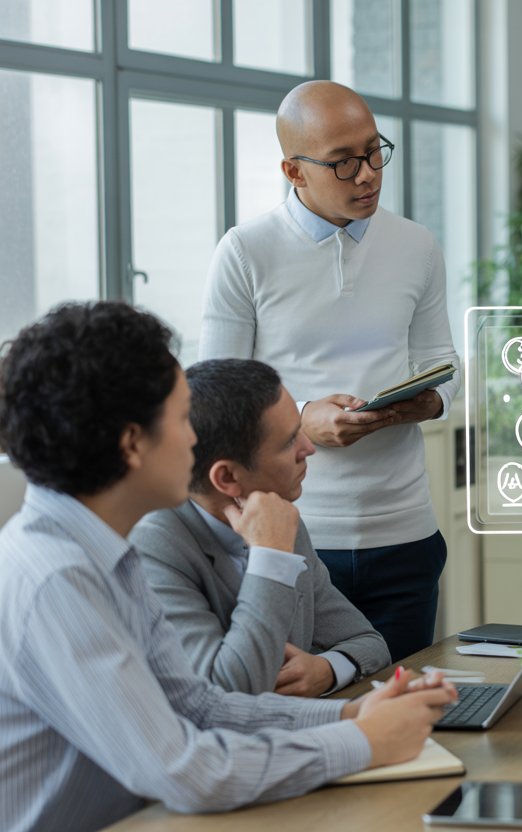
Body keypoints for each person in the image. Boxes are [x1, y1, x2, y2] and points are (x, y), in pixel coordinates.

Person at [0, 302, 456, 832]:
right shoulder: (57, 578)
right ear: (132, 444)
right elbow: (185, 770)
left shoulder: (104, 552)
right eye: (179, 419)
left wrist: (351, 714)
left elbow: (201, 705)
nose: (195, 438)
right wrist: (362, 742)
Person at [199, 80, 461, 661]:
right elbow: (211, 402)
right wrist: (301, 421)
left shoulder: (417, 245)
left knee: (406, 720)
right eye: (344, 163)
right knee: (302, 716)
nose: (368, 173)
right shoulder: (246, 252)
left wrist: (430, 400)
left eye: (374, 151)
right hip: (290, 535)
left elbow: (445, 365)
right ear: (294, 171)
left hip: (407, 534)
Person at [130, 359, 391, 696]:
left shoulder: (281, 520)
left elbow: (368, 642)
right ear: (227, 477)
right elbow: (224, 688)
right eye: (288, 442)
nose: (308, 448)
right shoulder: (154, 547)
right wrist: (270, 557)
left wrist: (327, 668)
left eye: (301, 429)